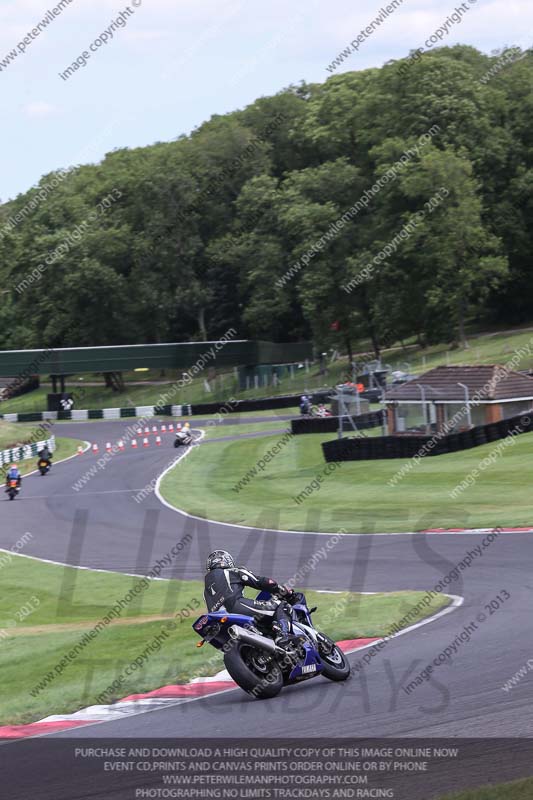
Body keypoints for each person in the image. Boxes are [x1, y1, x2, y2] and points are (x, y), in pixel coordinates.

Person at [204, 550, 297, 646]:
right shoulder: (232, 571)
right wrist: (284, 591)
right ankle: (283, 635)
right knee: (282, 605)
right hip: (236, 607)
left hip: (217, 621)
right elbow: (262, 582)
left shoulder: (205, 591)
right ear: (227, 561)